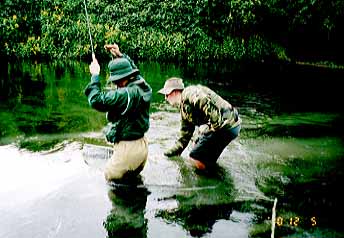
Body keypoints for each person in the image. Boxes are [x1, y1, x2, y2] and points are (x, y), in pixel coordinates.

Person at [85, 43, 152, 182]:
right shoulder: (142, 86)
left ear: (120, 80)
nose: (115, 84)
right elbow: (136, 71)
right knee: (132, 183)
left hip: (128, 152)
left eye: (116, 81)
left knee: (111, 181)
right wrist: (121, 55)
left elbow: (95, 100)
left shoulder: (125, 95)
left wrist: (95, 75)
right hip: (142, 147)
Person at [158, 77, 241, 170]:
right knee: (197, 145)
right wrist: (169, 153)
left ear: (174, 92)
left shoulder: (189, 93)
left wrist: (212, 128)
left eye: (166, 94)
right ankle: (214, 171)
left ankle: (210, 180)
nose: (165, 98)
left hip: (226, 125)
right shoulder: (184, 108)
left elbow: (204, 100)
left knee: (194, 157)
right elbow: (185, 136)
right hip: (231, 126)